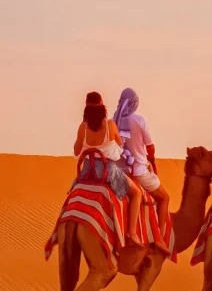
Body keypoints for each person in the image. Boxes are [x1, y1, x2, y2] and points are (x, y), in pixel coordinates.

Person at [73, 91, 138, 225]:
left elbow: (76, 151)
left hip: (87, 171)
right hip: (108, 171)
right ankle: (132, 232)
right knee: (137, 194)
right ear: (102, 105)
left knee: (71, 198)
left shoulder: (82, 127)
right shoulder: (110, 125)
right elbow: (120, 143)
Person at [112, 87, 170, 231]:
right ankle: (160, 236)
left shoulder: (114, 120)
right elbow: (150, 147)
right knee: (164, 198)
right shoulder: (139, 120)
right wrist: (152, 159)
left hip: (118, 171)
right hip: (137, 171)